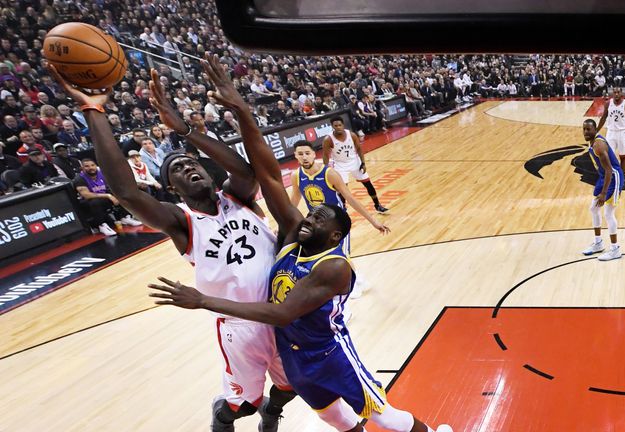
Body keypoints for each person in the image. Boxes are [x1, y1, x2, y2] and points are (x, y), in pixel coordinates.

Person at [148, 54, 453, 432]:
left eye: (319, 219)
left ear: (336, 236)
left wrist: (202, 301)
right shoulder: (293, 240)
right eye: (310, 214)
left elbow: (281, 314)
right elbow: (267, 175)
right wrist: (240, 112)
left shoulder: (334, 266)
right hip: (291, 356)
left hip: (327, 354)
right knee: (337, 420)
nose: (308, 219)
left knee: (384, 416)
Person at [48, 58, 296, 432]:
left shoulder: (238, 197)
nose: (188, 168)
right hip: (240, 325)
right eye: (177, 170)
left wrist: (185, 133)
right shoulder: (182, 222)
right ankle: (222, 413)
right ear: (172, 190)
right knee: (242, 405)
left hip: (282, 311)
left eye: (191, 164)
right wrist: (94, 111)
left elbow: (246, 171)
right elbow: (126, 192)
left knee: (290, 386)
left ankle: (273, 412)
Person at [292, 140, 390, 299]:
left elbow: (350, 198)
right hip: (317, 224)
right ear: (295, 156)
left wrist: (374, 222)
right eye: (300, 154)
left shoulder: (329, 173)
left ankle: (351, 283)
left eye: (307, 153)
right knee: (329, 256)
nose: (304, 157)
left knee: (341, 255)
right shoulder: (296, 176)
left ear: (313, 154)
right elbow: (293, 204)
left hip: (337, 221)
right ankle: (358, 279)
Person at [322, 117, 389, 214]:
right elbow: (325, 155)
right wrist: (325, 169)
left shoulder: (351, 135)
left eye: (340, 125)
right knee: (342, 190)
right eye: (335, 126)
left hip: (355, 162)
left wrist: (363, 163)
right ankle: (343, 211)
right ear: (332, 126)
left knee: (368, 184)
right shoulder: (328, 139)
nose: (338, 127)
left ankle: (378, 205)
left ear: (343, 125)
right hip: (340, 165)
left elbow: (359, 149)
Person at [581, 119, 624, 261]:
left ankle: (615, 249)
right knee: (593, 208)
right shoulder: (592, 143)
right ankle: (598, 243)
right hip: (603, 176)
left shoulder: (599, 145)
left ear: (595, 130)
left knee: (608, 213)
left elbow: (609, 169)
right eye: (584, 129)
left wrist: (604, 193)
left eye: (589, 129)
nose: (586, 132)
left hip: (613, 176)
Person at [73, 158, 143, 236]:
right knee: (96, 202)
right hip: (88, 201)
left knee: (122, 194)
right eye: (87, 166)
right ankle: (101, 225)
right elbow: (86, 195)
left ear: (96, 166)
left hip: (104, 197)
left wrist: (115, 195)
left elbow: (111, 186)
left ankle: (125, 217)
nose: (91, 168)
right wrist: (108, 196)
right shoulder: (79, 178)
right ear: (82, 168)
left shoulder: (101, 174)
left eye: (93, 165)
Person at [596, 87, 625, 173]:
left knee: (623, 157)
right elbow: (603, 118)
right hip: (610, 132)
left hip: (622, 133)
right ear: (612, 93)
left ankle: (622, 177)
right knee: (608, 157)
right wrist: (596, 131)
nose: (616, 94)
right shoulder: (608, 104)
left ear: (621, 93)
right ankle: (610, 176)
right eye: (615, 92)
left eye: (618, 92)